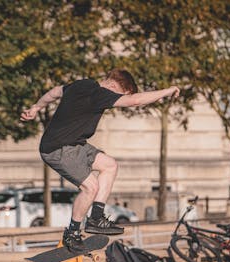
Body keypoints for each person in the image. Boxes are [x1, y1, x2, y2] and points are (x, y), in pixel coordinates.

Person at [21, 69, 179, 251]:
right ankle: (72, 234)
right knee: (91, 187)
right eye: (119, 96)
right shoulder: (100, 94)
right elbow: (135, 101)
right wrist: (168, 90)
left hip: (76, 145)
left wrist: (36, 107)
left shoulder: (82, 84)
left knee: (110, 165)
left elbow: (54, 92)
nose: (115, 101)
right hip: (58, 149)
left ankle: (96, 217)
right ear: (113, 86)